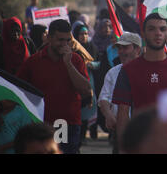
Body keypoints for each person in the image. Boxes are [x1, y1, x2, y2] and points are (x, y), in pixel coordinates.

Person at [112, 13, 167, 146]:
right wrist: (123, 147)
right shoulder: (128, 70)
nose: (158, 33)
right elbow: (123, 112)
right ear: (143, 34)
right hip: (140, 142)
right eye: (152, 29)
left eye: (162, 29)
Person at [16, 19, 91, 154]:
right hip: (41, 124)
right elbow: (17, 89)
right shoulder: (34, 61)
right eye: (60, 40)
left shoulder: (75, 60)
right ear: (49, 38)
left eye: (67, 40)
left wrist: (68, 64)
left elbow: (86, 91)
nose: (64, 44)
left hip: (66, 123)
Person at [98, 32, 141, 154]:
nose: (121, 51)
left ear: (137, 49)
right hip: (120, 129)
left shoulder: (148, 72)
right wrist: (108, 115)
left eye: (125, 47)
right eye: (119, 48)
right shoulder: (113, 72)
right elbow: (104, 98)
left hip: (143, 129)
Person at [73, 24, 100, 145]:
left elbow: (99, 62)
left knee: (89, 105)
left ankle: (87, 133)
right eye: (81, 34)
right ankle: (79, 136)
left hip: (90, 80)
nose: (84, 36)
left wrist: (92, 65)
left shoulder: (91, 47)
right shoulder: (73, 49)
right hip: (77, 80)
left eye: (86, 34)